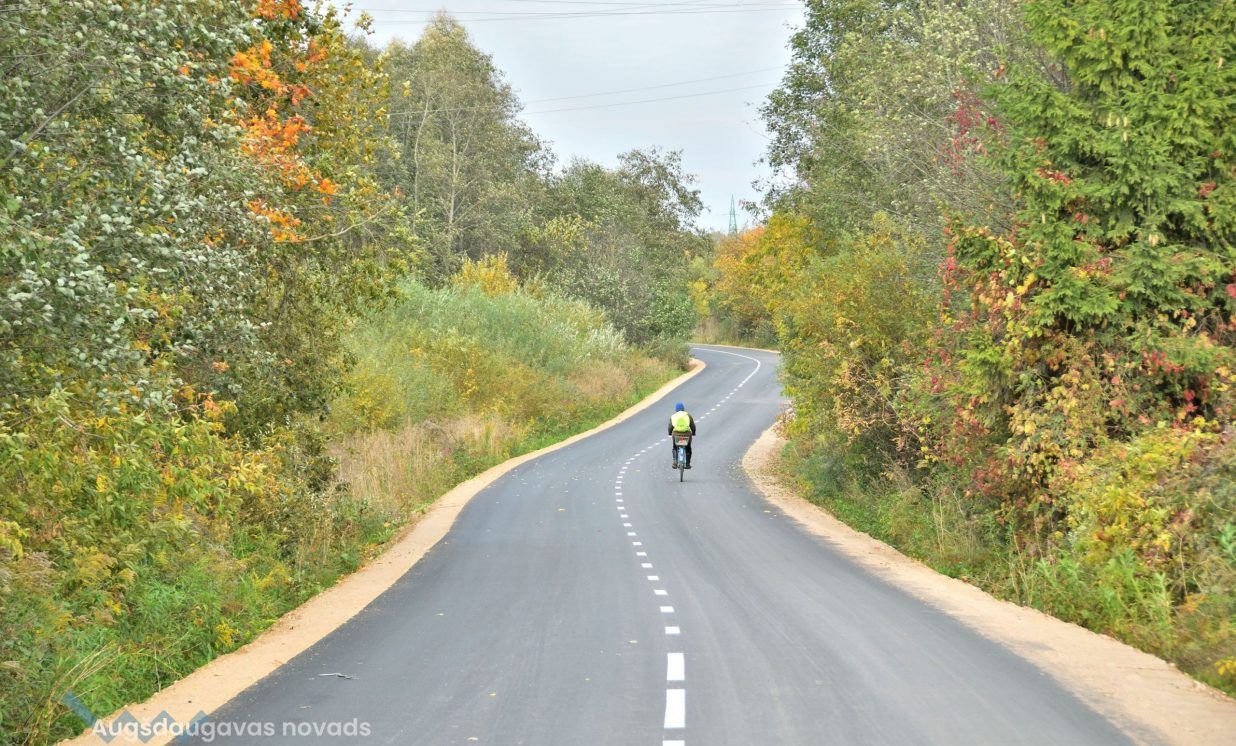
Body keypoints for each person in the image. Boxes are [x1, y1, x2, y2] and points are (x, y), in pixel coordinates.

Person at [668, 402, 696, 469]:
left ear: (676, 409)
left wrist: (669, 433)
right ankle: (687, 464)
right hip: (687, 435)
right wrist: (693, 432)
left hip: (676, 435)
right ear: (683, 409)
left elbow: (670, 427)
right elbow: (692, 426)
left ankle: (675, 462)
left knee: (675, 447)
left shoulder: (673, 416)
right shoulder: (688, 415)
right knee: (688, 448)